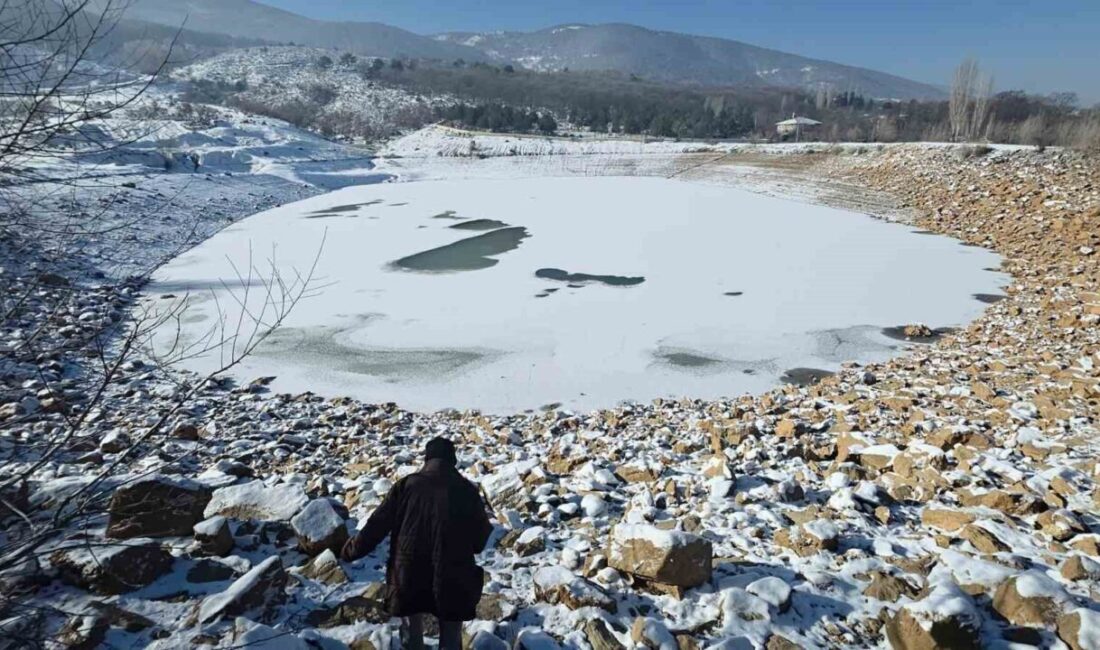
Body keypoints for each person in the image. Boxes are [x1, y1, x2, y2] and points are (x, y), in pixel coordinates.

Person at [341, 437, 493, 650]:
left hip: (408, 573)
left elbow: (376, 525)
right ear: (453, 460)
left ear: (427, 459)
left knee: (411, 633)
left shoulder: (406, 486)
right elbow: (480, 540)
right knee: (450, 636)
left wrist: (350, 551)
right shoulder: (467, 490)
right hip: (454, 574)